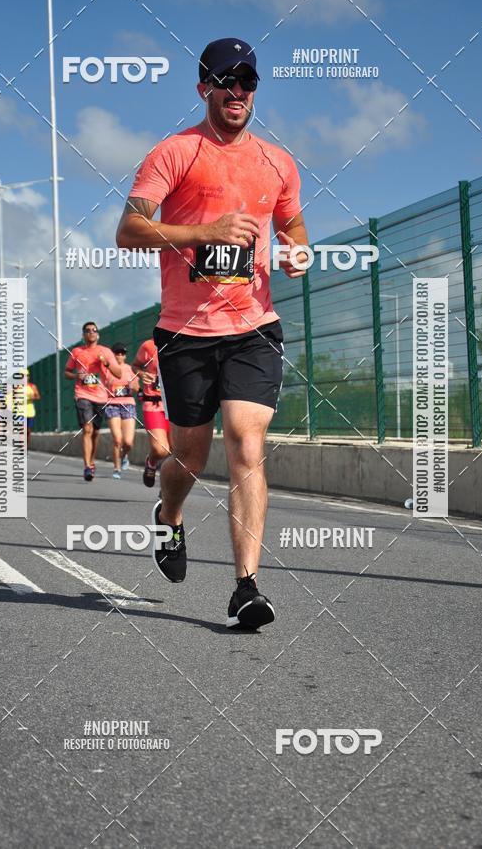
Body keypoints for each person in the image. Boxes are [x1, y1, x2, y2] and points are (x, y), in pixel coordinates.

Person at [116, 37, 309, 629]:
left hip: (254, 325)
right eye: (227, 81)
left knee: (247, 444)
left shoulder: (278, 162)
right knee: (191, 456)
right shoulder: (174, 152)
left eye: (248, 82)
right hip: (186, 330)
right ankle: (168, 515)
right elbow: (129, 230)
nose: (238, 91)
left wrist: (297, 252)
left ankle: (246, 586)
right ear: (205, 88)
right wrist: (206, 232)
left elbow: (293, 226)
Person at [64, 322, 123, 481]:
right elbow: (66, 372)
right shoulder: (77, 352)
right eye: (87, 330)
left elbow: (118, 373)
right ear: (83, 335)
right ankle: (87, 467)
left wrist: (106, 363)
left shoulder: (106, 352)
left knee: (95, 432)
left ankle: (91, 461)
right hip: (82, 394)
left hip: (101, 396)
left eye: (94, 330)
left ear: (98, 334)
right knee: (87, 429)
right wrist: (76, 376)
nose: (91, 332)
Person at [132, 338, 171, 487]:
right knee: (160, 449)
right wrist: (141, 374)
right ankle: (152, 462)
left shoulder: (186, 343)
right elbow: (135, 366)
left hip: (176, 404)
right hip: (154, 403)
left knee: (177, 452)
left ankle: (166, 492)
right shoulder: (149, 346)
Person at [104, 344, 139, 478]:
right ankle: (116, 468)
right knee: (118, 439)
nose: (119, 356)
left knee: (128, 442)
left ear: (125, 356)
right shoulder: (106, 370)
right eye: (117, 353)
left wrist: (132, 386)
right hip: (112, 405)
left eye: (122, 353)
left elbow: (136, 387)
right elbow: (100, 386)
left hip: (128, 404)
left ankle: (124, 456)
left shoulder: (129, 369)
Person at [25, 372, 41, 448]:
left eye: (27, 375)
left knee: (28, 431)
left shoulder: (32, 386)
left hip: (30, 411)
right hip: (20, 411)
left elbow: (38, 396)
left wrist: (32, 398)